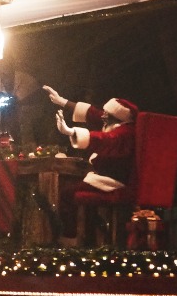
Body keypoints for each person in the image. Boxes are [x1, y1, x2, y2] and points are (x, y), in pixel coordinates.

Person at [44, 86, 140, 244]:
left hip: (113, 181)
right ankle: (86, 236)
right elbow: (92, 113)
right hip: (103, 177)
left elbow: (105, 140)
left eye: (106, 114)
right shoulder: (114, 123)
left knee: (67, 195)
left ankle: (70, 237)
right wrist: (62, 102)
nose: (102, 115)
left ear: (115, 117)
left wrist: (71, 132)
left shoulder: (125, 133)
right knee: (73, 192)